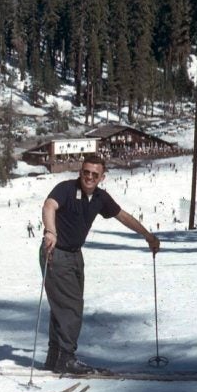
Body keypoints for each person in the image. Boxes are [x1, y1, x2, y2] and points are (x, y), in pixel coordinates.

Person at [40, 154, 160, 374]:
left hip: (75, 255)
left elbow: (122, 216)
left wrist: (147, 235)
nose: (89, 177)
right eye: (86, 172)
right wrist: (50, 231)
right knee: (71, 307)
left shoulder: (100, 198)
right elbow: (49, 206)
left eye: (95, 174)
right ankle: (66, 358)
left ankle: (55, 356)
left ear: (102, 177)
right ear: (80, 172)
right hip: (55, 252)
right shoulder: (65, 188)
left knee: (64, 306)